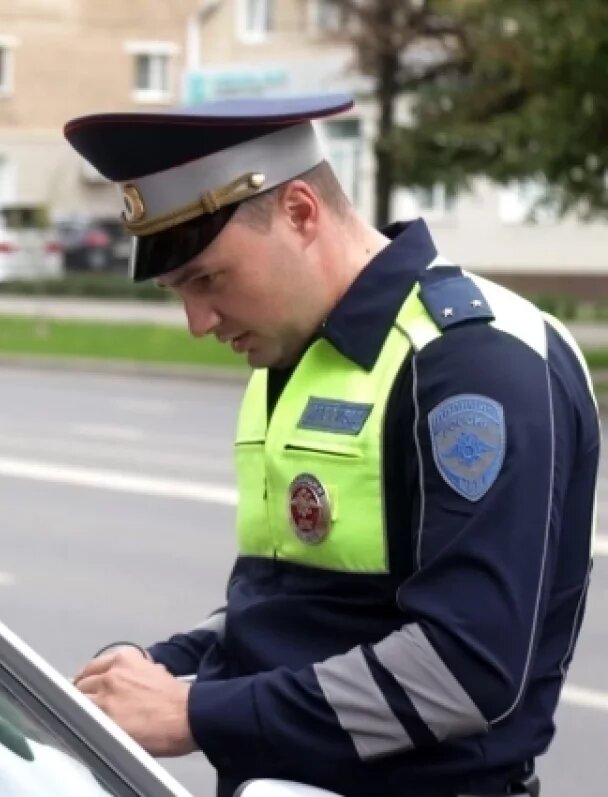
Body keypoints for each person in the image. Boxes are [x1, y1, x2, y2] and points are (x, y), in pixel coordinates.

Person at [62, 93, 599, 797]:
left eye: (208, 278)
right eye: (177, 290)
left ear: (301, 214)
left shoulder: (474, 361)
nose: (197, 321)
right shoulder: (293, 355)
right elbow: (298, 610)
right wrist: (157, 667)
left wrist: (193, 710)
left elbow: (465, 670)